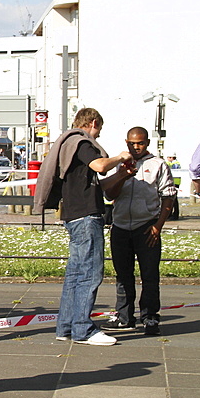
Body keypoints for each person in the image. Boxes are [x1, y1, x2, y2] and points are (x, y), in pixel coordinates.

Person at [35, 108, 132, 346]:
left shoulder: (68, 144)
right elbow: (100, 166)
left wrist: (123, 176)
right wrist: (121, 157)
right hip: (87, 216)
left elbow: (99, 184)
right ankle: (83, 329)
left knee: (76, 274)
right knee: (90, 273)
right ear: (94, 123)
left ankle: (66, 327)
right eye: (99, 129)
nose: (98, 135)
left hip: (74, 214)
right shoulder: (82, 143)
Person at [101, 127, 176, 336]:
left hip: (146, 227)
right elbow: (110, 195)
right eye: (132, 143)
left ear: (147, 143)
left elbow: (168, 198)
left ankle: (150, 317)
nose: (136, 147)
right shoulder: (120, 164)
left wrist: (158, 226)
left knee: (149, 275)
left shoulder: (158, 165)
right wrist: (123, 176)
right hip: (121, 227)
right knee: (123, 275)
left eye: (140, 143)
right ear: (126, 143)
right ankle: (125, 318)